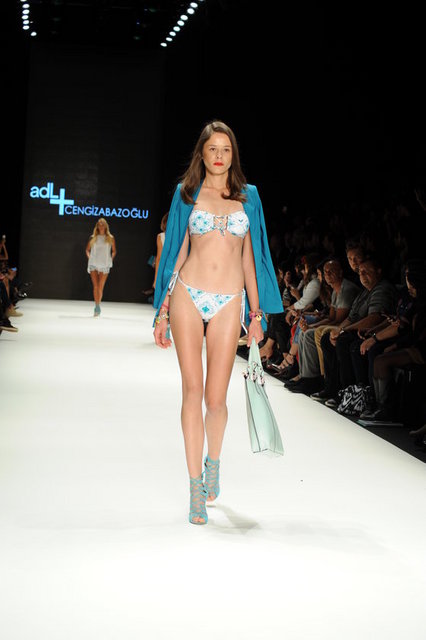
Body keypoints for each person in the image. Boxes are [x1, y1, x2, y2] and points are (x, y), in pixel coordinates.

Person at [153, 121, 282, 525]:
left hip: (229, 301)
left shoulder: (249, 196)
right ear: (202, 153)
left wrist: (256, 315)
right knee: (191, 392)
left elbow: (251, 258)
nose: (219, 156)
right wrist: (162, 309)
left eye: (226, 149)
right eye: (212, 149)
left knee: (216, 399)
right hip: (187, 294)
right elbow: (177, 251)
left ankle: (213, 463)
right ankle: (195, 487)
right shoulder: (186, 193)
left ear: (233, 154)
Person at [86, 218, 116, 316]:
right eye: (99, 224)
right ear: (97, 226)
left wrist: (110, 259)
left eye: (103, 224)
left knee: (100, 286)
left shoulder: (110, 238)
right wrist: (90, 258)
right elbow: (87, 250)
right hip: (93, 263)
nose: (101, 226)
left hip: (105, 264)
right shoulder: (93, 237)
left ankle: (98, 304)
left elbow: (114, 251)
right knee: (95, 286)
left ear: (106, 226)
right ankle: (97, 306)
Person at [153, 212, 169, 290]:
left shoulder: (161, 236)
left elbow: (159, 259)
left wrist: (156, 279)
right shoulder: (183, 236)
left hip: (165, 271)